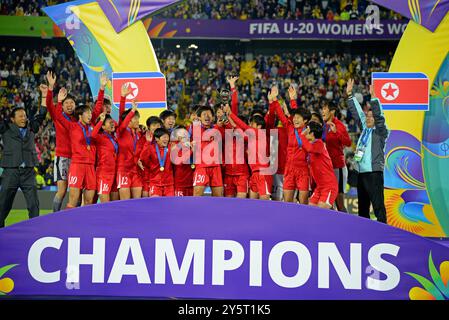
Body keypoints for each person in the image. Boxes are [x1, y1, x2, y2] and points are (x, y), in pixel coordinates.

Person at [0, 84, 47, 227]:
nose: (24, 118)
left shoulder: (31, 127)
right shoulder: (5, 127)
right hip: (10, 171)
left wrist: (44, 95)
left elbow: (42, 114)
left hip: (28, 172)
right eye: (20, 116)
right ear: (12, 119)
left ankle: (34, 231)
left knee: (34, 204)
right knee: (3, 205)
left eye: (25, 115)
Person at [346, 79, 389, 223]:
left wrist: (374, 99)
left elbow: (379, 117)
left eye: (371, 117)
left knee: (378, 207)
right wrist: (350, 95)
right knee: (362, 209)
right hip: (361, 174)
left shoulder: (381, 132)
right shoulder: (365, 129)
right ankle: (364, 235)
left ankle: (384, 234)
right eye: (368, 116)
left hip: (374, 173)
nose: (368, 118)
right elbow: (357, 113)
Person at [55, 89, 100, 208]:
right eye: (87, 113)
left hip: (90, 166)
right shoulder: (72, 126)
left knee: (89, 201)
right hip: (77, 165)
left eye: (91, 113)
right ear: (80, 115)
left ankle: (84, 225)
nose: (90, 115)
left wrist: (101, 88)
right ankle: (65, 224)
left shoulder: (92, 127)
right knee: (73, 200)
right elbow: (58, 116)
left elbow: (98, 108)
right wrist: (59, 101)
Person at [224, 105, 273, 200]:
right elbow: (238, 130)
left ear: (259, 126)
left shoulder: (261, 134)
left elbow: (244, 127)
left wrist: (231, 113)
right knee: (252, 203)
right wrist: (229, 117)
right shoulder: (251, 138)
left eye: (252, 124)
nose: (250, 125)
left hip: (263, 173)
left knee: (264, 203)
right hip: (254, 174)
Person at [273, 85, 311, 204]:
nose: (295, 119)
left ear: (305, 121)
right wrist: (274, 100)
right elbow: (281, 114)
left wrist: (294, 100)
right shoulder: (290, 128)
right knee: (287, 202)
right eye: (294, 118)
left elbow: (297, 113)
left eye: (298, 118)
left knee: (303, 202)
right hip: (289, 169)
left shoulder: (308, 132)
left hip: (303, 171)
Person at [299, 121, 338, 209]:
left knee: (321, 215)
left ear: (312, 133)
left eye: (306, 130)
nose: (304, 132)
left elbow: (309, 148)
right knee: (311, 212)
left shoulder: (319, 143)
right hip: (319, 187)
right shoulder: (312, 145)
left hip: (329, 186)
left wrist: (302, 136)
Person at [321, 101, 352, 212]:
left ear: (332, 111)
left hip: (337, 167)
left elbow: (348, 142)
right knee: (329, 202)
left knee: (339, 202)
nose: (322, 111)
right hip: (326, 168)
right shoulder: (324, 126)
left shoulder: (339, 125)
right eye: (322, 109)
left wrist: (337, 132)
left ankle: (346, 226)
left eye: (324, 109)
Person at [190, 105, 225, 197]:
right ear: (199, 118)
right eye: (204, 114)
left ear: (213, 117)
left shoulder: (219, 127)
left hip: (216, 167)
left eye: (209, 114)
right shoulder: (194, 128)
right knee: (197, 194)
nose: (207, 116)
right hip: (201, 166)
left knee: (219, 196)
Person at [116, 101, 142, 199]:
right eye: (135, 118)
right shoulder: (121, 131)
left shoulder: (137, 134)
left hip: (135, 170)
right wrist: (132, 110)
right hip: (123, 170)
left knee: (137, 202)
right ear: (129, 120)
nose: (138, 121)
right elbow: (123, 122)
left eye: (138, 118)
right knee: (125, 203)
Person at [140, 128, 174, 197]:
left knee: (169, 206)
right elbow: (143, 158)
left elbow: (179, 160)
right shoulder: (151, 148)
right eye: (164, 137)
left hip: (169, 184)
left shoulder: (171, 148)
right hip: (155, 184)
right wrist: (147, 142)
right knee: (155, 204)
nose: (166, 139)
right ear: (157, 139)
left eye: (167, 137)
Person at [92, 113, 119, 202]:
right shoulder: (100, 137)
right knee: (105, 204)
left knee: (114, 204)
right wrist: (100, 121)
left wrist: (109, 117)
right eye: (109, 122)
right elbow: (93, 135)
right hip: (104, 173)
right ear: (103, 126)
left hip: (114, 172)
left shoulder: (114, 137)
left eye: (112, 122)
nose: (113, 124)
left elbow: (118, 124)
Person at [139, 116, 163, 197]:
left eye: (158, 125)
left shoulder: (164, 139)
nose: (156, 127)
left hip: (159, 177)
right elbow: (141, 157)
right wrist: (148, 143)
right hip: (146, 176)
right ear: (148, 127)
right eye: (154, 125)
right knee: (146, 201)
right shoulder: (143, 138)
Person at [171, 126, 194, 197]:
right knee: (179, 206)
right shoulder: (175, 147)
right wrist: (191, 151)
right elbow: (180, 161)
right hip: (180, 184)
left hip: (192, 183)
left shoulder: (192, 145)